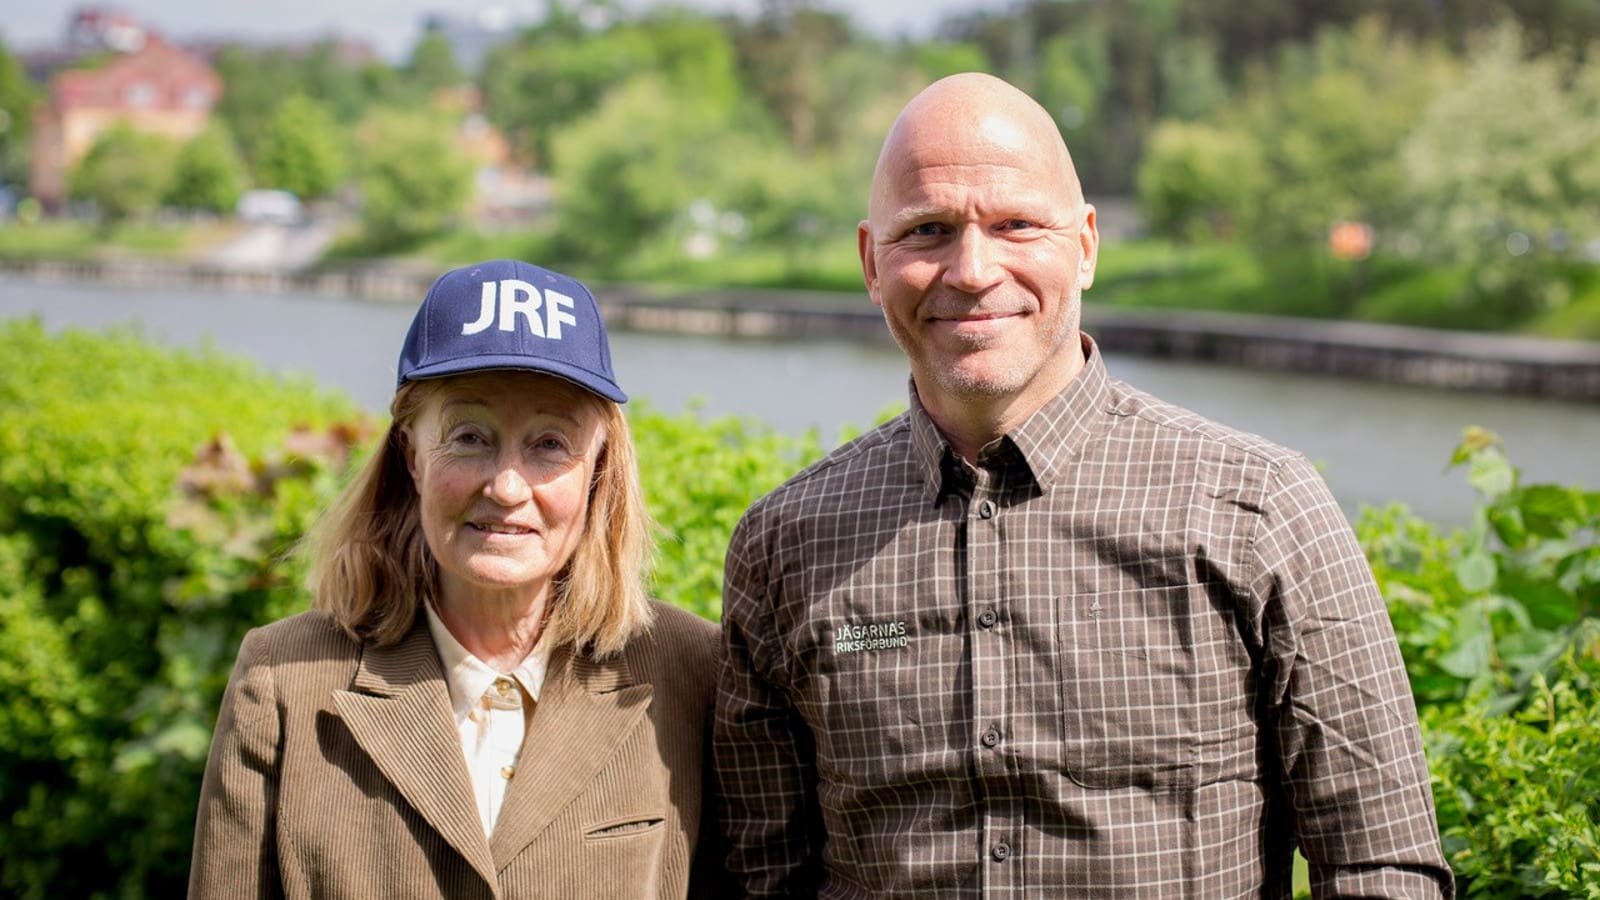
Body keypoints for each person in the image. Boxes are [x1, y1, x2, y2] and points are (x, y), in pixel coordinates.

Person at [713, 73, 1453, 898]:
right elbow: (762, 878)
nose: (973, 269)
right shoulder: (786, 544)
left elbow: (1382, 864)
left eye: (1016, 225)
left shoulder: (1259, 510)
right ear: (870, 263)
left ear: (1088, 245)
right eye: (927, 231)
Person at [190, 259, 724, 899]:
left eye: (550, 444)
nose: (506, 487)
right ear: (411, 455)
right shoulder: (283, 679)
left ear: (599, 468)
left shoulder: (694, 674)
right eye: (469, 437)